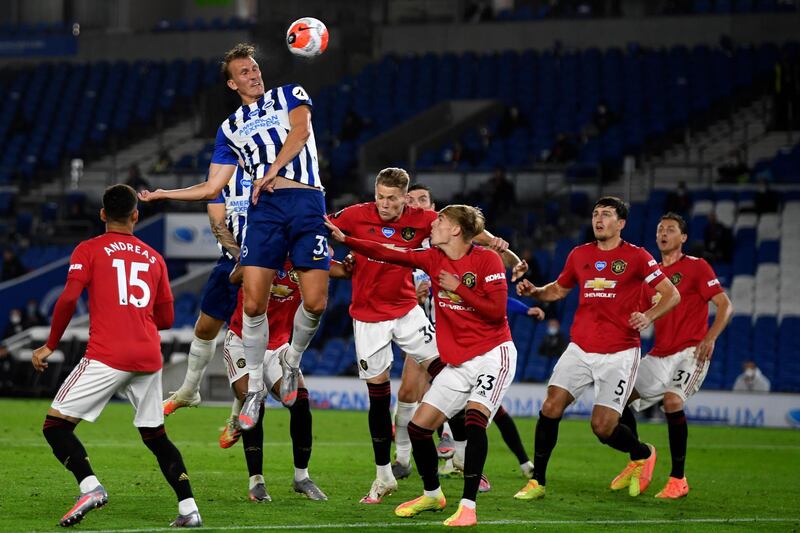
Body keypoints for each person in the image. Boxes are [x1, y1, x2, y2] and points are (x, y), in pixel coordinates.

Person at [138, 43, 329, 430]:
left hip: (307, 201)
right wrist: (163, 194)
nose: (253, 74)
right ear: (231, 83)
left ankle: (291, 362)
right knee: (253, 305)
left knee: (317, 302)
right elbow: (212, 188)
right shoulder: (228, 129)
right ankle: (255, 387)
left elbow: (300, 132)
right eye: (244, 72)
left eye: (255, 68)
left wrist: (272, 170)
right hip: (266, 211)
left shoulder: (289, 93)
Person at [328, 169, 526, 504]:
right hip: (368, 317)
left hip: (408, 311)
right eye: (380, 196)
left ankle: (462, 458)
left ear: (405, 197)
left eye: (392, 198)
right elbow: (324, 227)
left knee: (449, 375)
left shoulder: (426, 220)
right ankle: (384, 476)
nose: (385, 203)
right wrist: (339, 250)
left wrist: (502, 249)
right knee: (378, 397)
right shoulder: (354, 214)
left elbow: (468, 229)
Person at [31, 184, 201, 527]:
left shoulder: (89, 249)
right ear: (136, 215)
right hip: (149, 356)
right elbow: (166, 319)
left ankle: (90, 486)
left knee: (55, 427)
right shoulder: (154, 258)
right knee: (156, 436)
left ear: (103, 214)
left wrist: (51, 343)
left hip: (108, 354)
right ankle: (189, 509)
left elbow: (67, 300)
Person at [514, 196, 681, 501]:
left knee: (603, 428)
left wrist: (648, 316)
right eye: (595, 214)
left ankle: (643, 453)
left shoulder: (638, 256)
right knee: (551, 406)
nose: (598, 219)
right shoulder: (579, 254)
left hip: (619, 352)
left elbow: (671, 295)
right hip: (580, 347)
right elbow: (559, 289)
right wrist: (536, 291)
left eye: (606, 214)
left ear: (621, 223)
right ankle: (538, 481)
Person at [611, 212, 733, 499]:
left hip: (690, 353)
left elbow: (725, 305)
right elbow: (636, 313)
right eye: (660, 228)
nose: (663, 233)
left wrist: (709, 338)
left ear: (683, 237)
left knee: (672, 400)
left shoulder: (697, 267)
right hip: (659, 355)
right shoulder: (651, 276)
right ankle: (638, 459)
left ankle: (678, 479)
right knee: (616, 398)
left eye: (670, 229)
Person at [217, 256, 350, 502]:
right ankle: (256, 481)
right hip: (241, 343)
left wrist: (352, 259)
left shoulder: (307, 256)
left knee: (300, 402)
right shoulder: (262, 248)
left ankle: (302, 477)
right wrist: (257, 262)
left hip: (278, 347)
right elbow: (233, 277)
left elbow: (342, 271)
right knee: (252, 399)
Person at [161, 165, 250, 416]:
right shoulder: (223, 175)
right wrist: (240, 257)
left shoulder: (275, 173)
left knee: (248, 337)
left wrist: (254, 260)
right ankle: (189, 390)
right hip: (230, 263)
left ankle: (239, 412)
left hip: (265, 265)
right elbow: (218, 226)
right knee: (204, 328)